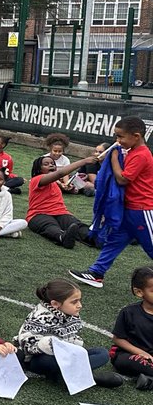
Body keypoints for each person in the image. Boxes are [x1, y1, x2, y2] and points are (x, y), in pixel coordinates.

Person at [71, 117, 153, 289]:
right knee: (114, 241)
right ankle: (96, 273)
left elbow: (123, 179)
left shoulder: (142, 154)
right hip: (129, 209)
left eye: (120, 137)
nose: (117, 141)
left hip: (142, 209)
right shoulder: (132, 151)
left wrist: (113, 157)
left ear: (136, 136)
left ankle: (97, 272)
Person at [16, 278, 123, 387]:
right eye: (74, 302)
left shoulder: (70, 313)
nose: (79, 305)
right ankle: (87, 377)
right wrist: (49, 345)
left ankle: (67, 375)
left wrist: (73, 347)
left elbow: (70, 338)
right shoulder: (40, 316)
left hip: (65, 355)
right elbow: (26, 345)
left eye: (79, 300)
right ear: (55, 304)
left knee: (102, 353)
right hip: (38, 359)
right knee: (50, 362)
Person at [26, 152, 97, 249]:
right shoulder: (37, 179)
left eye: (52, 164)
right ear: (39, 169)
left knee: (77, 225)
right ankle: (62, 237)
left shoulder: (55, 183)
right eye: (46, 164)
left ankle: (93, 238)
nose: (50, 165)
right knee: (50, 226)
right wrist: (84, 161)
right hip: (38, 214)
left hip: (60, 212)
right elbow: (60, 173)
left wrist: (71, 189)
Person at [110, 267, 153, 389]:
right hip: (130, 355)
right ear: (139, 292)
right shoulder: (129, 312)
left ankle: (148, 381)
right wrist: (141, 353)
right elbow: (118, 339)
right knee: (133, 362)